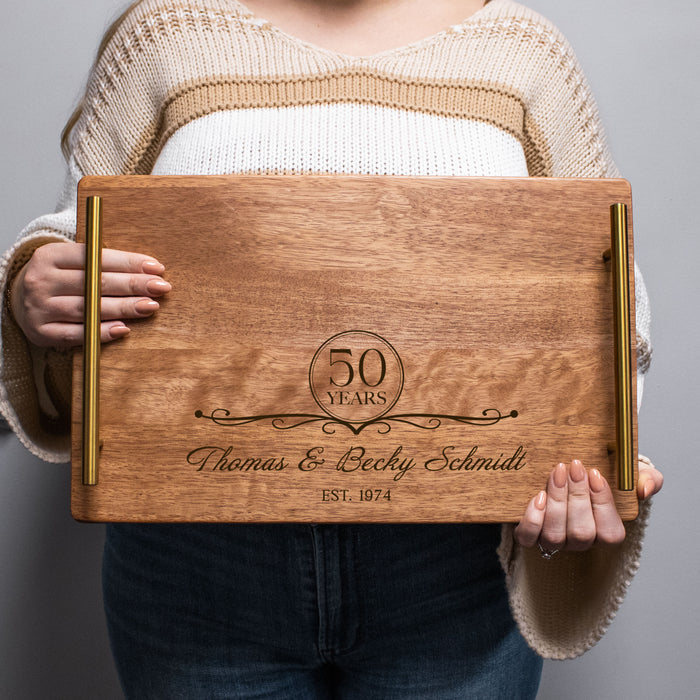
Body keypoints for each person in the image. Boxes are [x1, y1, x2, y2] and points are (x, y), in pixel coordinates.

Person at [0, 0, 663, 697]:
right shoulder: (163, 36)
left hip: (455, 558)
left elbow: (610, 288)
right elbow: (85, 232)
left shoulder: (527, 54)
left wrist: (591, 464)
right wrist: (32, 286)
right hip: (193, 553)